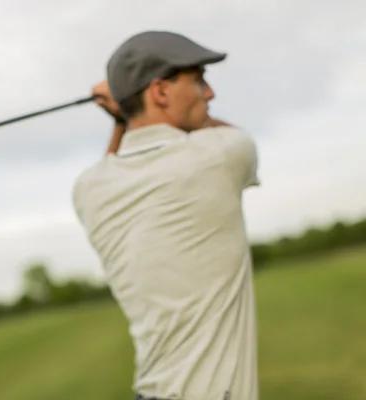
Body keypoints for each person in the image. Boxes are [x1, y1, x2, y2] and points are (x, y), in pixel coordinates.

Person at [72, 31, 261, 400]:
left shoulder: (88, 189)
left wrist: (123, 114)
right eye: (199, 79)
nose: (209, 94)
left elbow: (118, 159)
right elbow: (227, 133)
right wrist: (122, 111)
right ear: (159, 92)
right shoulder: (223, 154)